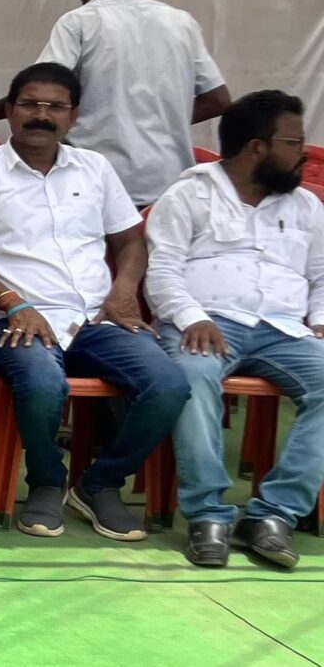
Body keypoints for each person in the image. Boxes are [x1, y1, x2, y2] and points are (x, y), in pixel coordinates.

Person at [0, 61, 185, 542]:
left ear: (73, 116)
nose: (42, 115)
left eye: (55, 107)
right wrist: (14, 302)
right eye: (30, 104)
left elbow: (131, 241)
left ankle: (99, 483)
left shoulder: (95, 168)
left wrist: (123, 290)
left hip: (97, 317)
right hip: (13, 316)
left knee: (169, 384)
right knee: (41, 382)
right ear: (9, 110)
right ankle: (46, 481)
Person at [146, 91, 324, 570]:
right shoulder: (189, 194)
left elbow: (322, 276)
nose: (303, 154)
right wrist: (192, 317)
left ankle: (273, 515)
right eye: (293, 142)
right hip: (205, 323)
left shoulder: (306, 205)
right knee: (193, 378)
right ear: (257, 148)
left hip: (284, 330)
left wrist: (320, 321)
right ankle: (208, 515)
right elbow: (161, 272)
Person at [0, 0, 229, 206]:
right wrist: (159, 120)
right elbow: (218, 100)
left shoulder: (81, 21)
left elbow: (41, 87)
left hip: (98, 184)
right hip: (170, 187)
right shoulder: (181, 22)